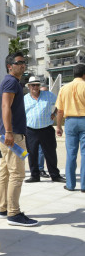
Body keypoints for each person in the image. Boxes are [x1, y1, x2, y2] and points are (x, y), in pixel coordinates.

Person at [0, 52, 38, 227]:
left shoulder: (12, 82)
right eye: (19, 62)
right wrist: (9, 132)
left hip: (6, 134)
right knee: (17, 173)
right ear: (9, 66)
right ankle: (14, 213)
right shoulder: (11, 82)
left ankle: (3, 208)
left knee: (5, 172)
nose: (23, 65)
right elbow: (5, 106)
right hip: (12, 135)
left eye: (24, 62)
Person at [23, 77, 65, 183]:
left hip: (46, 129)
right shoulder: (24, 99)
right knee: (32, 154)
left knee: (50, 153)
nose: (35, 87)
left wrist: (55, 113)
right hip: (31, 130)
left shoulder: (48, 95)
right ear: (28, 86)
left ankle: (55, 175)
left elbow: (60, 103)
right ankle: (35, 175)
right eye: (33, 85)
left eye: (37, 85)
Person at [56, 64, 85, 193]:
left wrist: (58, 126)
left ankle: (70, 184)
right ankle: (84, 186)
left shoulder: (64, 88)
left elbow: (60, 111)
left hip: (70, 121)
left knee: (71, 154)